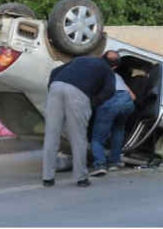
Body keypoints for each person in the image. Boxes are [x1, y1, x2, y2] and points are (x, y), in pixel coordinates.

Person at [42, 55, 115, 188]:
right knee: (78, 138)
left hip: (56, 86)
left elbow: (55, 71)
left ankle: (47, 178)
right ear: (114, 66)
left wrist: (52, 88)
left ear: (101, 56)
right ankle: (81, 178)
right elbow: (109, 91)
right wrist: (93, 102)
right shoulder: (108, 70)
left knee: (51, 135)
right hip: (79, 94)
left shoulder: (82, 59)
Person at [90, 51, 136, 177]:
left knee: (97, 138)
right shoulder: (117, 76)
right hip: (126, 102)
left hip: (110, 102)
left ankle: (100, 164)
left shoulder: (96, 74)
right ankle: (114, 162)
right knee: (118, 129)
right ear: (115, 66)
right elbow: (133, 96)